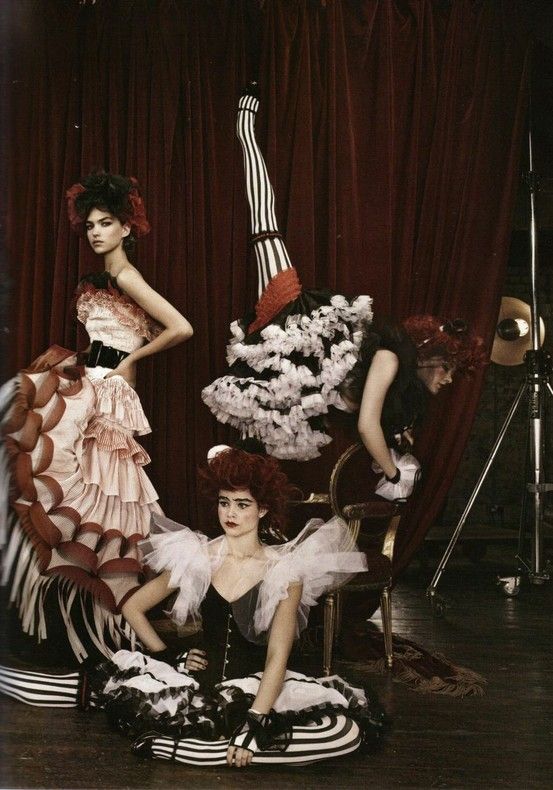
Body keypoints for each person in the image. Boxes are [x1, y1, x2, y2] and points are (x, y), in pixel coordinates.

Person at [0, 447, 385, 767]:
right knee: (101, 686)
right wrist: (170, 655)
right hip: (198, 684)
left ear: (263, 509)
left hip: (254, 687)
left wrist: (255, 722)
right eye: (224, 503)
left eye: (242, 504)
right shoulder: (200, 555)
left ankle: (184, 748)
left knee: (344, 732)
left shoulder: (285, 570)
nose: (230, 514)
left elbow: (277, 659)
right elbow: (133, 607)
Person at [201, 86, 487, 497]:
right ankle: (245, 129)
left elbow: (368, 424)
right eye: (449, 368)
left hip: (288, 363)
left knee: (265, 230)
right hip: (293, 318)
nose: (449, 380)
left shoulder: (397, 388)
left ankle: (240, 476)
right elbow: (367, 426)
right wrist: (392, 474)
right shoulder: (389, 359)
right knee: (264, 226)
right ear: (431, 357)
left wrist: (394, 453)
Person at [0, 172, 193, 665]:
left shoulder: (126, 276)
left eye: (106, 223)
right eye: (89, 225)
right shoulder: (102, 281)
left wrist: (130, 363)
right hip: (88, 386)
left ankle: (122, 625)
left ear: (127, 228)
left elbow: (181, 328)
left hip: (105, 394)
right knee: (74, 497)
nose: (95, 233)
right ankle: (104, 628)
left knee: (96, 502)